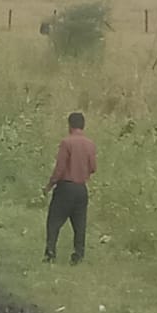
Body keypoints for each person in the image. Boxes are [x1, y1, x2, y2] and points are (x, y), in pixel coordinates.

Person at [44, 112, 97, 265]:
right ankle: (78, 255)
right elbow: (93, 168)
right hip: (81, 189)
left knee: (54, 221)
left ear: (69, 125)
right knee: (80, 224)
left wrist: (50, 184)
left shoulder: (66, 143)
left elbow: (60, 168)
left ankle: (50, 252)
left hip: (65, 187)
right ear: (83, 126)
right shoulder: (90, 144)